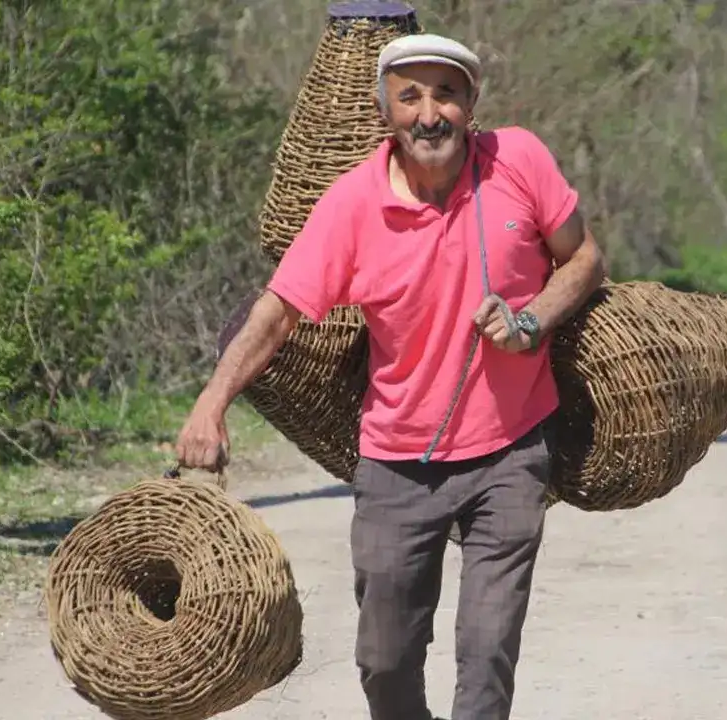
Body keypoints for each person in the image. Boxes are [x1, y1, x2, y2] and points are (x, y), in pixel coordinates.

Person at [176, 32, 606, 720]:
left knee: (488, 647)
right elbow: (277, 312)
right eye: (410, 96)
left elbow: (582, 257)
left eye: (446, 94)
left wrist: (531, 321)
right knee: (384, 660)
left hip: (511, 450)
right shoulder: (353, 204)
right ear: (386, 113)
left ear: (472, 104)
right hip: (397, 461)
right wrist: (211, 403)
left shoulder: (517, 161)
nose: (429, 113)